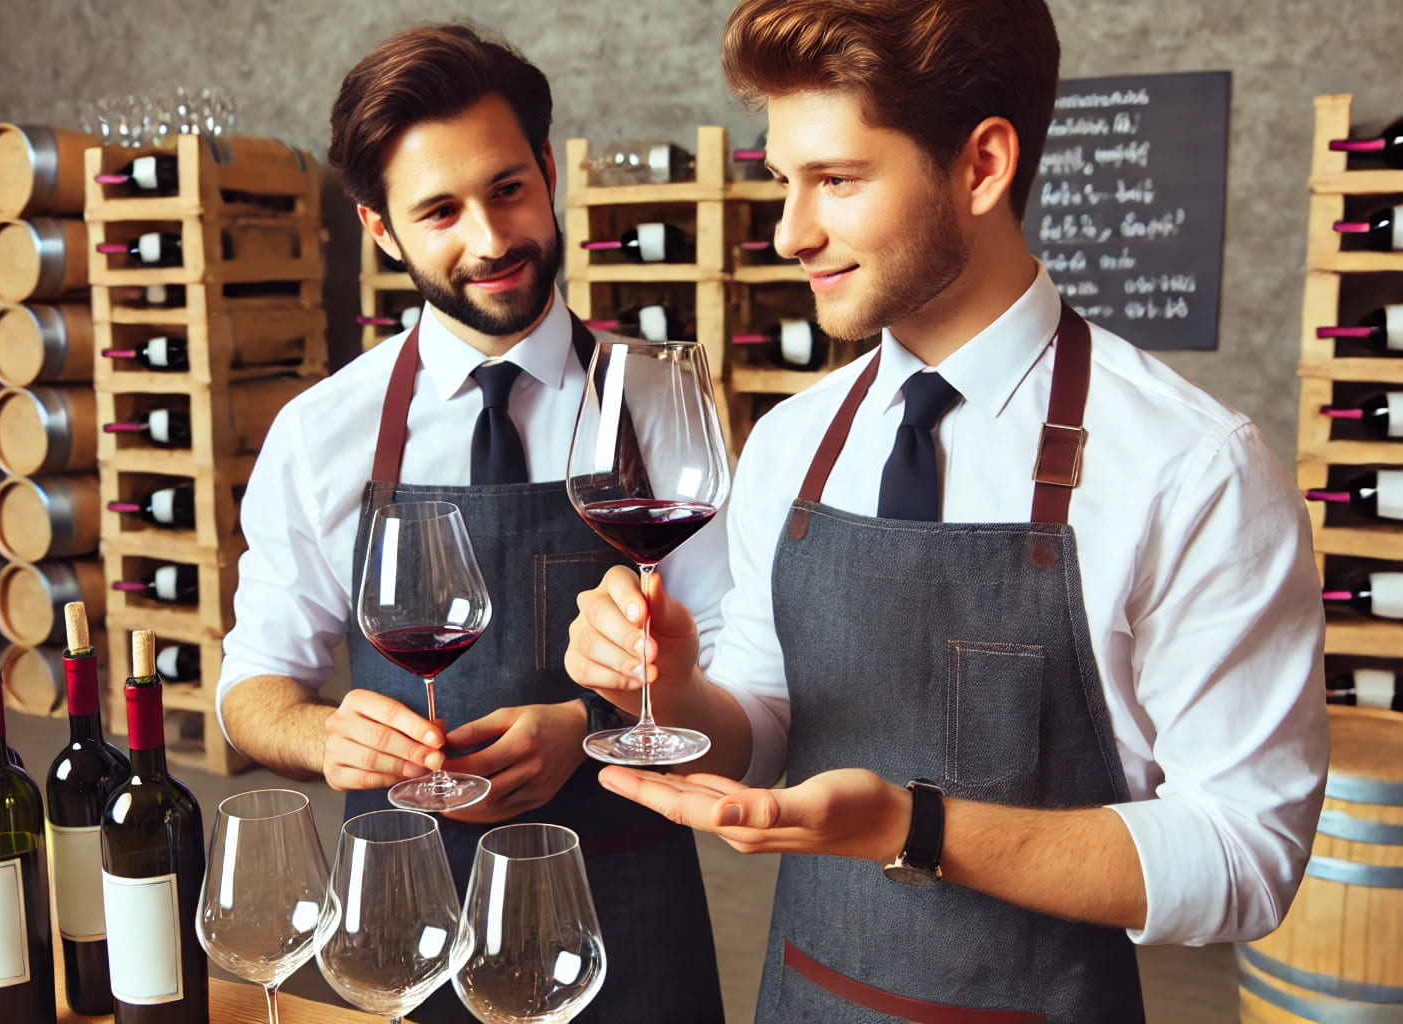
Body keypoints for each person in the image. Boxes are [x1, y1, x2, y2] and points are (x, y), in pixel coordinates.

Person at [564, 1, 1329, 1020]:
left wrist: (912, 828)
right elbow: (763, 719)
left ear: (980, 166)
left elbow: (1245, 855)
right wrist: (683, 687)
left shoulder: (1191, 469)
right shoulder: (794, 440)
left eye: (836, 180)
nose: (790, 232)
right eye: (781, 180)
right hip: (803, 996)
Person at [216, 24, 728, 1023]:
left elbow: (735, 662)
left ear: (547, 170)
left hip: (624, 904)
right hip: (405, 917)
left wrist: (589, 729)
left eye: (507, 189)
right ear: (379, 230)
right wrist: (327, 736)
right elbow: (250, 689)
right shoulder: (322, 432)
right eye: (440, 211)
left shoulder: (658, 410)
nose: (490, 241)